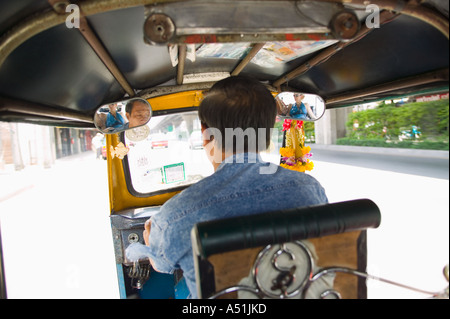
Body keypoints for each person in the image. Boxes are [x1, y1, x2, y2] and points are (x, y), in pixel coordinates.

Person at [142, 75, 328, 298]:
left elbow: (161, 266)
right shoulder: (310, 189)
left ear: (205, 134)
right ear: (267, 134)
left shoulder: (175, 214)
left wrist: (150, 241)